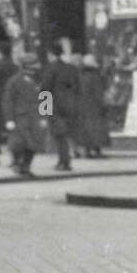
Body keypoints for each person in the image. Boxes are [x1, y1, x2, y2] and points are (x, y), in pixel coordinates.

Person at [2, 53, 46, 176]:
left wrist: (44, 116)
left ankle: (26, 166)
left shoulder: (40, 80)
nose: (35, 67)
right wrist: (9, 119)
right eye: (32, 64)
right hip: (20, 116)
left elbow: (46, 97)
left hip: (35, 116)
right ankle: (17, 163)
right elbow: (8, 100)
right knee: (19, 143)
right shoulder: (14, 81)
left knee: (34, 143)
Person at [41, 37, 81, 172]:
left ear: (51, 54)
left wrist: (44, 111)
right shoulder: (72, 68)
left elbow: (45, 89)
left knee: (59, 136)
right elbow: (78, 88)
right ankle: (64, 160)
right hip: (70, 106)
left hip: (56, 107)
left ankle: (64, 161)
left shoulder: (51, 69)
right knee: (66, 134)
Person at [77, 53, 110, 158]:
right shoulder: (95, 77)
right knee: (97, 129)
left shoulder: (80, 76)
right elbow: (98, 93)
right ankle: (97, 150)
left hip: (83, 106)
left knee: (86, 129)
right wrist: (103, 104)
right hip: (94, 107)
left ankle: (87, 150)